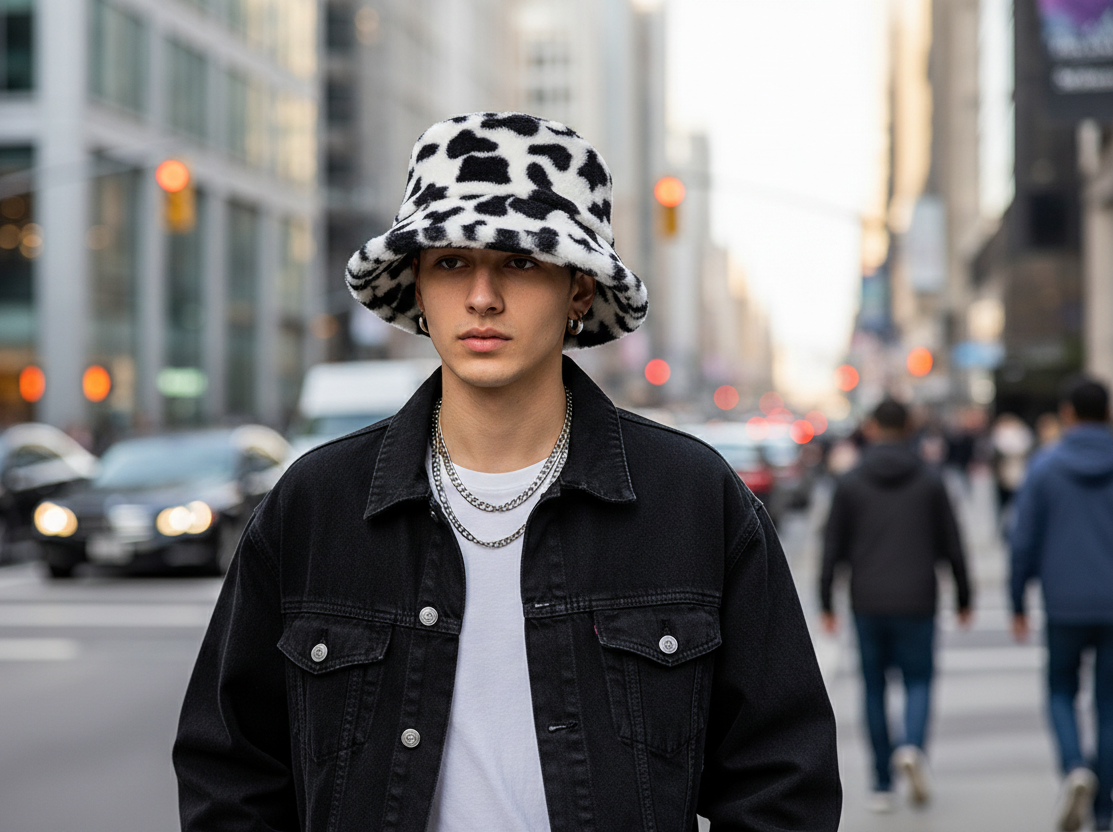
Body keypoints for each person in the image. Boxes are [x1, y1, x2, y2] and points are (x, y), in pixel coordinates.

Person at [172, 112, 841, 830]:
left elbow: (783, 781)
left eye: (520, 262)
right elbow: (231, 770)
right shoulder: (315, 504)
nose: (482, 296)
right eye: (451, 262)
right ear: (419, 287)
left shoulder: (691, 499)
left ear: (579, 290)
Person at [820, 398, 972, 813]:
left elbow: (832, 544)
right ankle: (913, 748)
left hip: (867, 599)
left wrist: (825, 598)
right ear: (909, 427)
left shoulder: (850, 481)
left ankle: (882, 783)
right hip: (919, 596)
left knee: (874, 687)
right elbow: (951, 542)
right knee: (918, 679)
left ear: (870, 428)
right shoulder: (930, 479)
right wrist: (964, 595)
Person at [1011, 378, 1113, 832]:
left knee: (1060, 691)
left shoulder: (1045, 466)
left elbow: (1023, 539)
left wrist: (1017, 598)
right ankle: (1104, 806)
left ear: (1068, 413)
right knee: (1110, 705)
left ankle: (1074, 767)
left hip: (1064, 603)